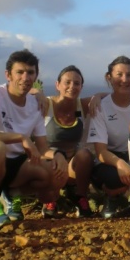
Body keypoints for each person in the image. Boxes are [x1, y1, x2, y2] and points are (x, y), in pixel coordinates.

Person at [0, 49, 57, 228]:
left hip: (16, 166)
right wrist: (20, 137)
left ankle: (11, 194)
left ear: (36, 75)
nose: (25, 77)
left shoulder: (36, 105)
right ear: (8, 75)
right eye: (20, 72)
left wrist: (59, 157)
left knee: (51, 172)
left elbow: (42, 146)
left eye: (30, 72)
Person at [86, 56, 130, 219]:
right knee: (114, 177)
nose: (124, 79)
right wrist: (119, 163)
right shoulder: (100, 107)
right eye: (119, 75)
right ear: (109, 77)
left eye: (129, 75)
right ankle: (114, 197)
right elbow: (100, 151)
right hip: (112, 158)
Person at [40, 65, 95, 219]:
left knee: (85, 154)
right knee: (53, 162)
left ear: (81, 87)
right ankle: (50, 199)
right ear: (58, 85)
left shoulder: (82, 106)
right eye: (67, 82)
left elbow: (109, 96)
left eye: (77, 83)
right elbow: (25, 93)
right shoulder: (46, 105)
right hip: (49, 160)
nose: (72, 87)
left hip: (72, 164)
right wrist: (36, 91)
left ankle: (80, 197)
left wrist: (97, 97)